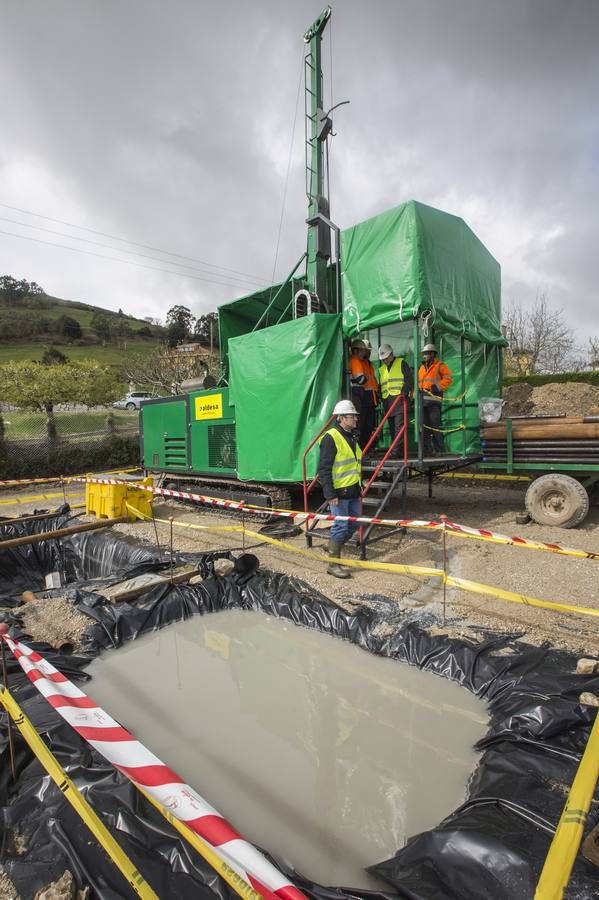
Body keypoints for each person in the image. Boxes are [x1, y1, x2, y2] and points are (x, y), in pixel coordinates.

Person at [318, 399, 362, 578]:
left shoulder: (351, 436)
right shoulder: (331, 437)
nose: (356, 419)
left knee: (355, 523)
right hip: (339, 493)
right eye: (352, 416)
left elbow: (354, 465)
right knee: (341, 526)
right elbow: (324, 469)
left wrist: (360, 486)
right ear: (342, 418)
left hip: (353, 490)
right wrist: (330, 494)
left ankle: (332, 545)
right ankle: (333, 564)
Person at [377, 343, 414, 455]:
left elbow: (409, 380)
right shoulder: (381, 369)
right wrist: (379, 395)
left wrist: (404, 392)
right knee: (393, 428)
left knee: (399, 428)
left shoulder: (402, 363)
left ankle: (396, 452)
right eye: (383, 359)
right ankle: (399, 452)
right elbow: (382, 385)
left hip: (400, 401)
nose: (385, 361)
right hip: (387, 402)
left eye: (386, 358)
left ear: (392, 354)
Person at [418, 342, 452, 455]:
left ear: (433, 354)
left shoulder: (440, 366)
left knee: (435, 427)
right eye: (424, 354)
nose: (424, 356)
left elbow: (448, 379)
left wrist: (436, 387)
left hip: (434, 402)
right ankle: (427, 452)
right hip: (423, 401)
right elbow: (418, 384)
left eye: (426, 353)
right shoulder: (421, 368)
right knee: (424, 428)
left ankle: (440, 451)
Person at [359, 339, 379, 449]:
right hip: (364, 397)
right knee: (363, 424)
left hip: (372, 397)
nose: (369, 352)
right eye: (367, 350)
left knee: (370, 425)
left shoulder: (368, 364)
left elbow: (372, 380)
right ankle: (363, 448)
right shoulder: (360, 362)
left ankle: (368, 447)